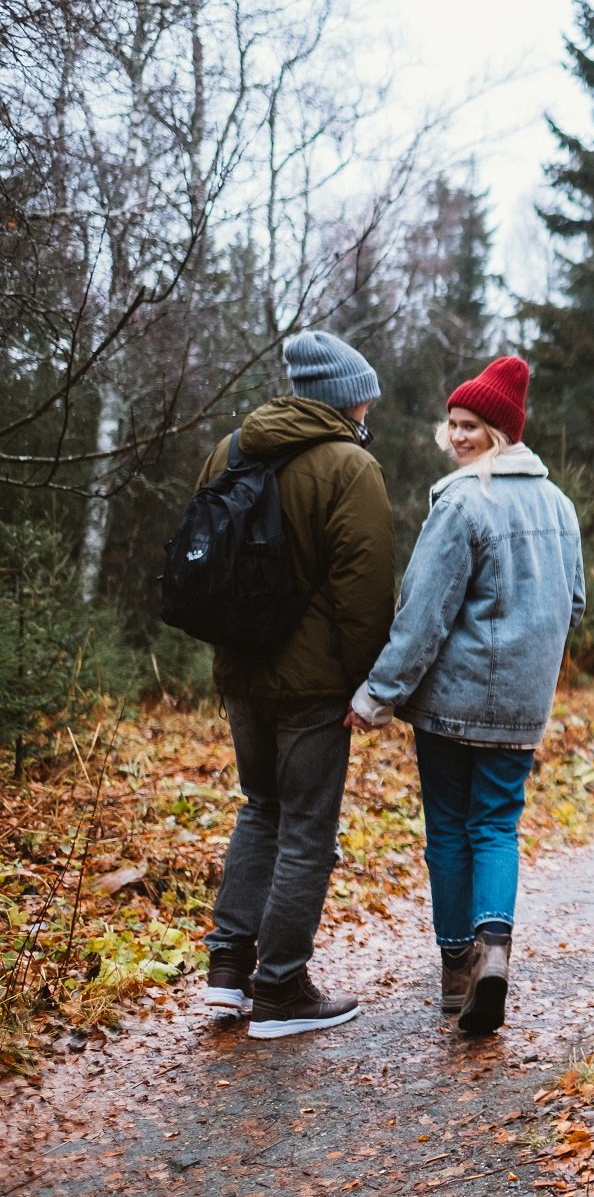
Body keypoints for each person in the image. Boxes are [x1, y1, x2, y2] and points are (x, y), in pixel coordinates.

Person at [348, 356, 584, 1036]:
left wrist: (376, 696)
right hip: (520, 707)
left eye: (472, 425)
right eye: (452, 423)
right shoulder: (559, 506)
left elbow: (423, 613)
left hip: (452, 705)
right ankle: (496, 952)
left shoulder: (462, 502)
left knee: (452, 830)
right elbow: (573, 603)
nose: (458, 436)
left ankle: (459, 969)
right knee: (498, 826)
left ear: (501, 432)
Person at [201, 330, 395, 1039]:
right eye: (366, 394)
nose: (371, 405)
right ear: (346, 399)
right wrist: (366, 686)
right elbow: (365, 591)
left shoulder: (230, 450)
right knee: (307, 831)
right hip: (313, 685)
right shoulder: (349, 466)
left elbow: (204, 560)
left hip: (241, 672)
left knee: (261, 809)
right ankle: (281, 990)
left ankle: (228, 977)